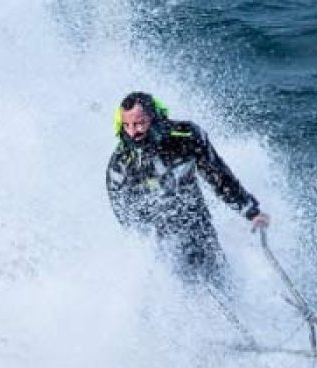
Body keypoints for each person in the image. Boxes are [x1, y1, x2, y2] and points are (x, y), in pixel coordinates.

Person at [106, 92, 269, 293]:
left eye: (139, 124)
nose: (133, 132)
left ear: (155, 118)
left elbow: (219, 177)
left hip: (197, 223)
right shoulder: (121, 165)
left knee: (222, 285)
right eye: (126, 126)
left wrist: (251, 212)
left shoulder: (187, 137)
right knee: (184, 290)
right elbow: (125, 216)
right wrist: (150, 247)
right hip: (161, 240)